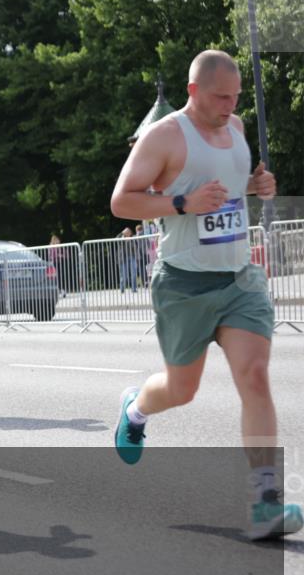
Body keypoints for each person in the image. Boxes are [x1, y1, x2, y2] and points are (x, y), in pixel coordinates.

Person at [110, 49, 301, 540]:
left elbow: (234, 191)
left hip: (239, 278)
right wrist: (182, 202)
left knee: (255, 376)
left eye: (235, 97)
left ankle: (265, 503)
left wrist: (258, 186)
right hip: (184, 284)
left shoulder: (235, 128)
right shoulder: (166, 136)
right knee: (182, 390)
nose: (230, 106)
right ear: (194, 91)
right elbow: (121, 200)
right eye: (221, 97)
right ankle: (135, 409)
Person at [116, 227, 138, 292]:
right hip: (122, 258)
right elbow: (116, 239)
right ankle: (122, 289)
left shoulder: (133, 237)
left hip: (132, 256)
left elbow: (136, 246)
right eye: (126, 232)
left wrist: (130, 241)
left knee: (133, 273)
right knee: (123, 275)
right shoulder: (120, 237)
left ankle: (134, 289)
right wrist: (122, 233)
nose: (128, 233)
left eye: (129, 232)